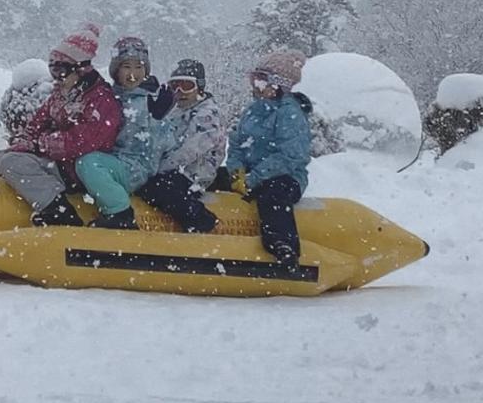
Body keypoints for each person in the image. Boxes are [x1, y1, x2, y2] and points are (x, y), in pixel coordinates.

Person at [0, 24, 121, 225]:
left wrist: (37, 146)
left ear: (81, 69)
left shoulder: (101, 100)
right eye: (53, 70)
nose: (56, 77)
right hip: (53, 161)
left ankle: (60, 212)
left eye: (62, 70)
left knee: (12, 163)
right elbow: (37, 124)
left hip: (77, 170)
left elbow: (82, 142)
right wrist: (23, 141)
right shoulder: (62, 94)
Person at [224, 49, 312, 274]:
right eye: (254, 79)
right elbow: (236, 143)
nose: (255, 85)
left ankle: (283, 247)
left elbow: (291, 156)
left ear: (277, 85)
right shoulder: (253, 110)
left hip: (283, 177)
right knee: (212, 179)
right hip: (250, 174)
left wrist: (254, 178)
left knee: (274, 195)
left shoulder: (290, 113)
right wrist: (237, 173)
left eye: (261, 80)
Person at [75, 35, 176, 230]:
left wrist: (157, 120)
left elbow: (165, 144)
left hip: (135, 169)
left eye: (139, 67)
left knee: (88, 162)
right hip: (114, 162)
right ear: (116, 71)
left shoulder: (152, 101)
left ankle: (119, 211)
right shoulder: (112, 97)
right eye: (127, 67)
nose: (133, 73)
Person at [136, 59, 225, 233]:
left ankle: (202, 221)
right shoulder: (177, 111)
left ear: (199, 87)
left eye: (186, 86)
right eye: (174, 86)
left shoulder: (207, 114)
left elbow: (192, 149)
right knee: (146, 185)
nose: (180, 92)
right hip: (175, 168)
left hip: (196, 172)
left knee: (160, 189)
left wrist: (161, 168)